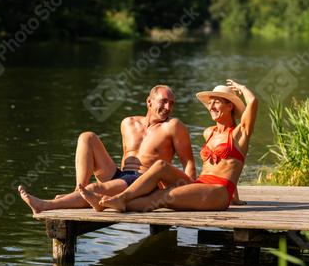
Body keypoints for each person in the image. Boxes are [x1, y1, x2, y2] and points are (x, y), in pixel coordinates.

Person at [79, 79, 257, 212]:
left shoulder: (239, 134)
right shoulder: (208, 132)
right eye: (210, 102)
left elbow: (253, 102)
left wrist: (242, 88)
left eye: (217, 101)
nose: (211, 106)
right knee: (161, 167)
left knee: (164, 197)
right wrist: (237, 197)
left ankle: (116, 201)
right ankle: (113, 202)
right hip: (200, 185)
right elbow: (224, 165)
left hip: (218, 192)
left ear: (230, 106)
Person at [18, 85, 196, 213]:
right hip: (122, 175)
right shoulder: (127, 123)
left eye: (171, 103)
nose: (168, 108)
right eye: (163, 102)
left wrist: (190, 191)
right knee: (87, 137)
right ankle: (78, 190)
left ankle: (44, 205)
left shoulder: (173, 126)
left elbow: (188, 161)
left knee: (96, 187)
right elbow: (126, 155)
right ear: (149, 102)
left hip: (144, 181)